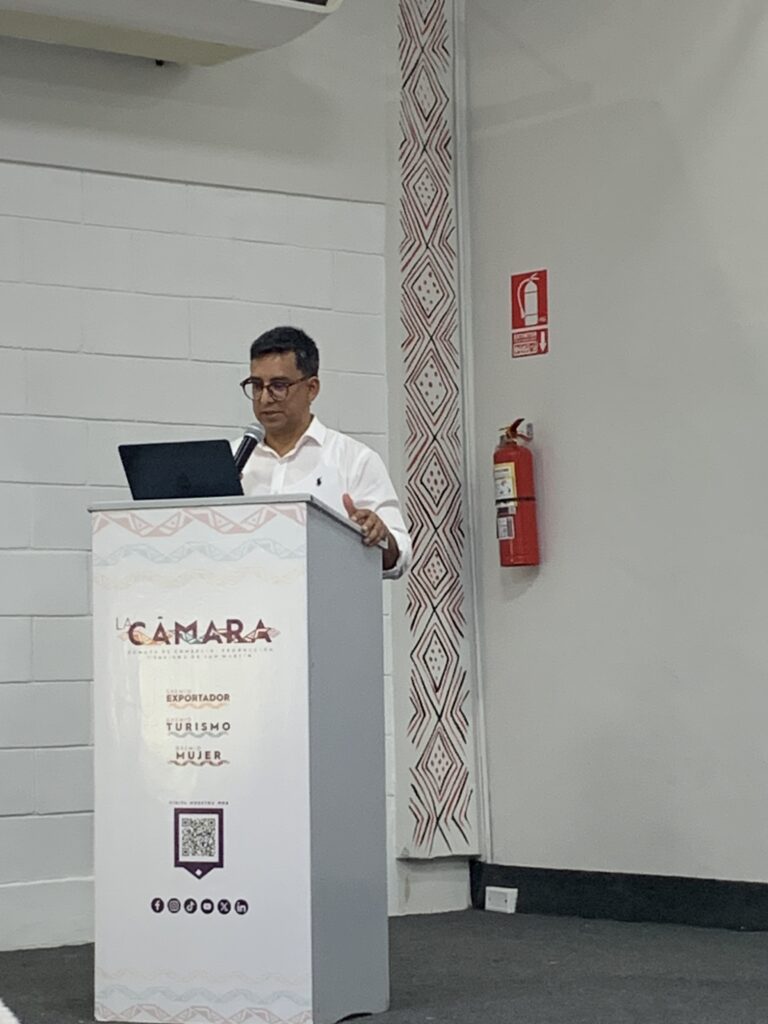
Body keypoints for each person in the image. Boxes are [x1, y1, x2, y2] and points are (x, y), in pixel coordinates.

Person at [237, 326, 411, 579]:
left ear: (312, 388)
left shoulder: (353, 459)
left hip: (330, 597)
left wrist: (381, 535)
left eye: (279, 386)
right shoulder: (233, 460)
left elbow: (400, 556)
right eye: (256, 386)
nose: (264, 398)